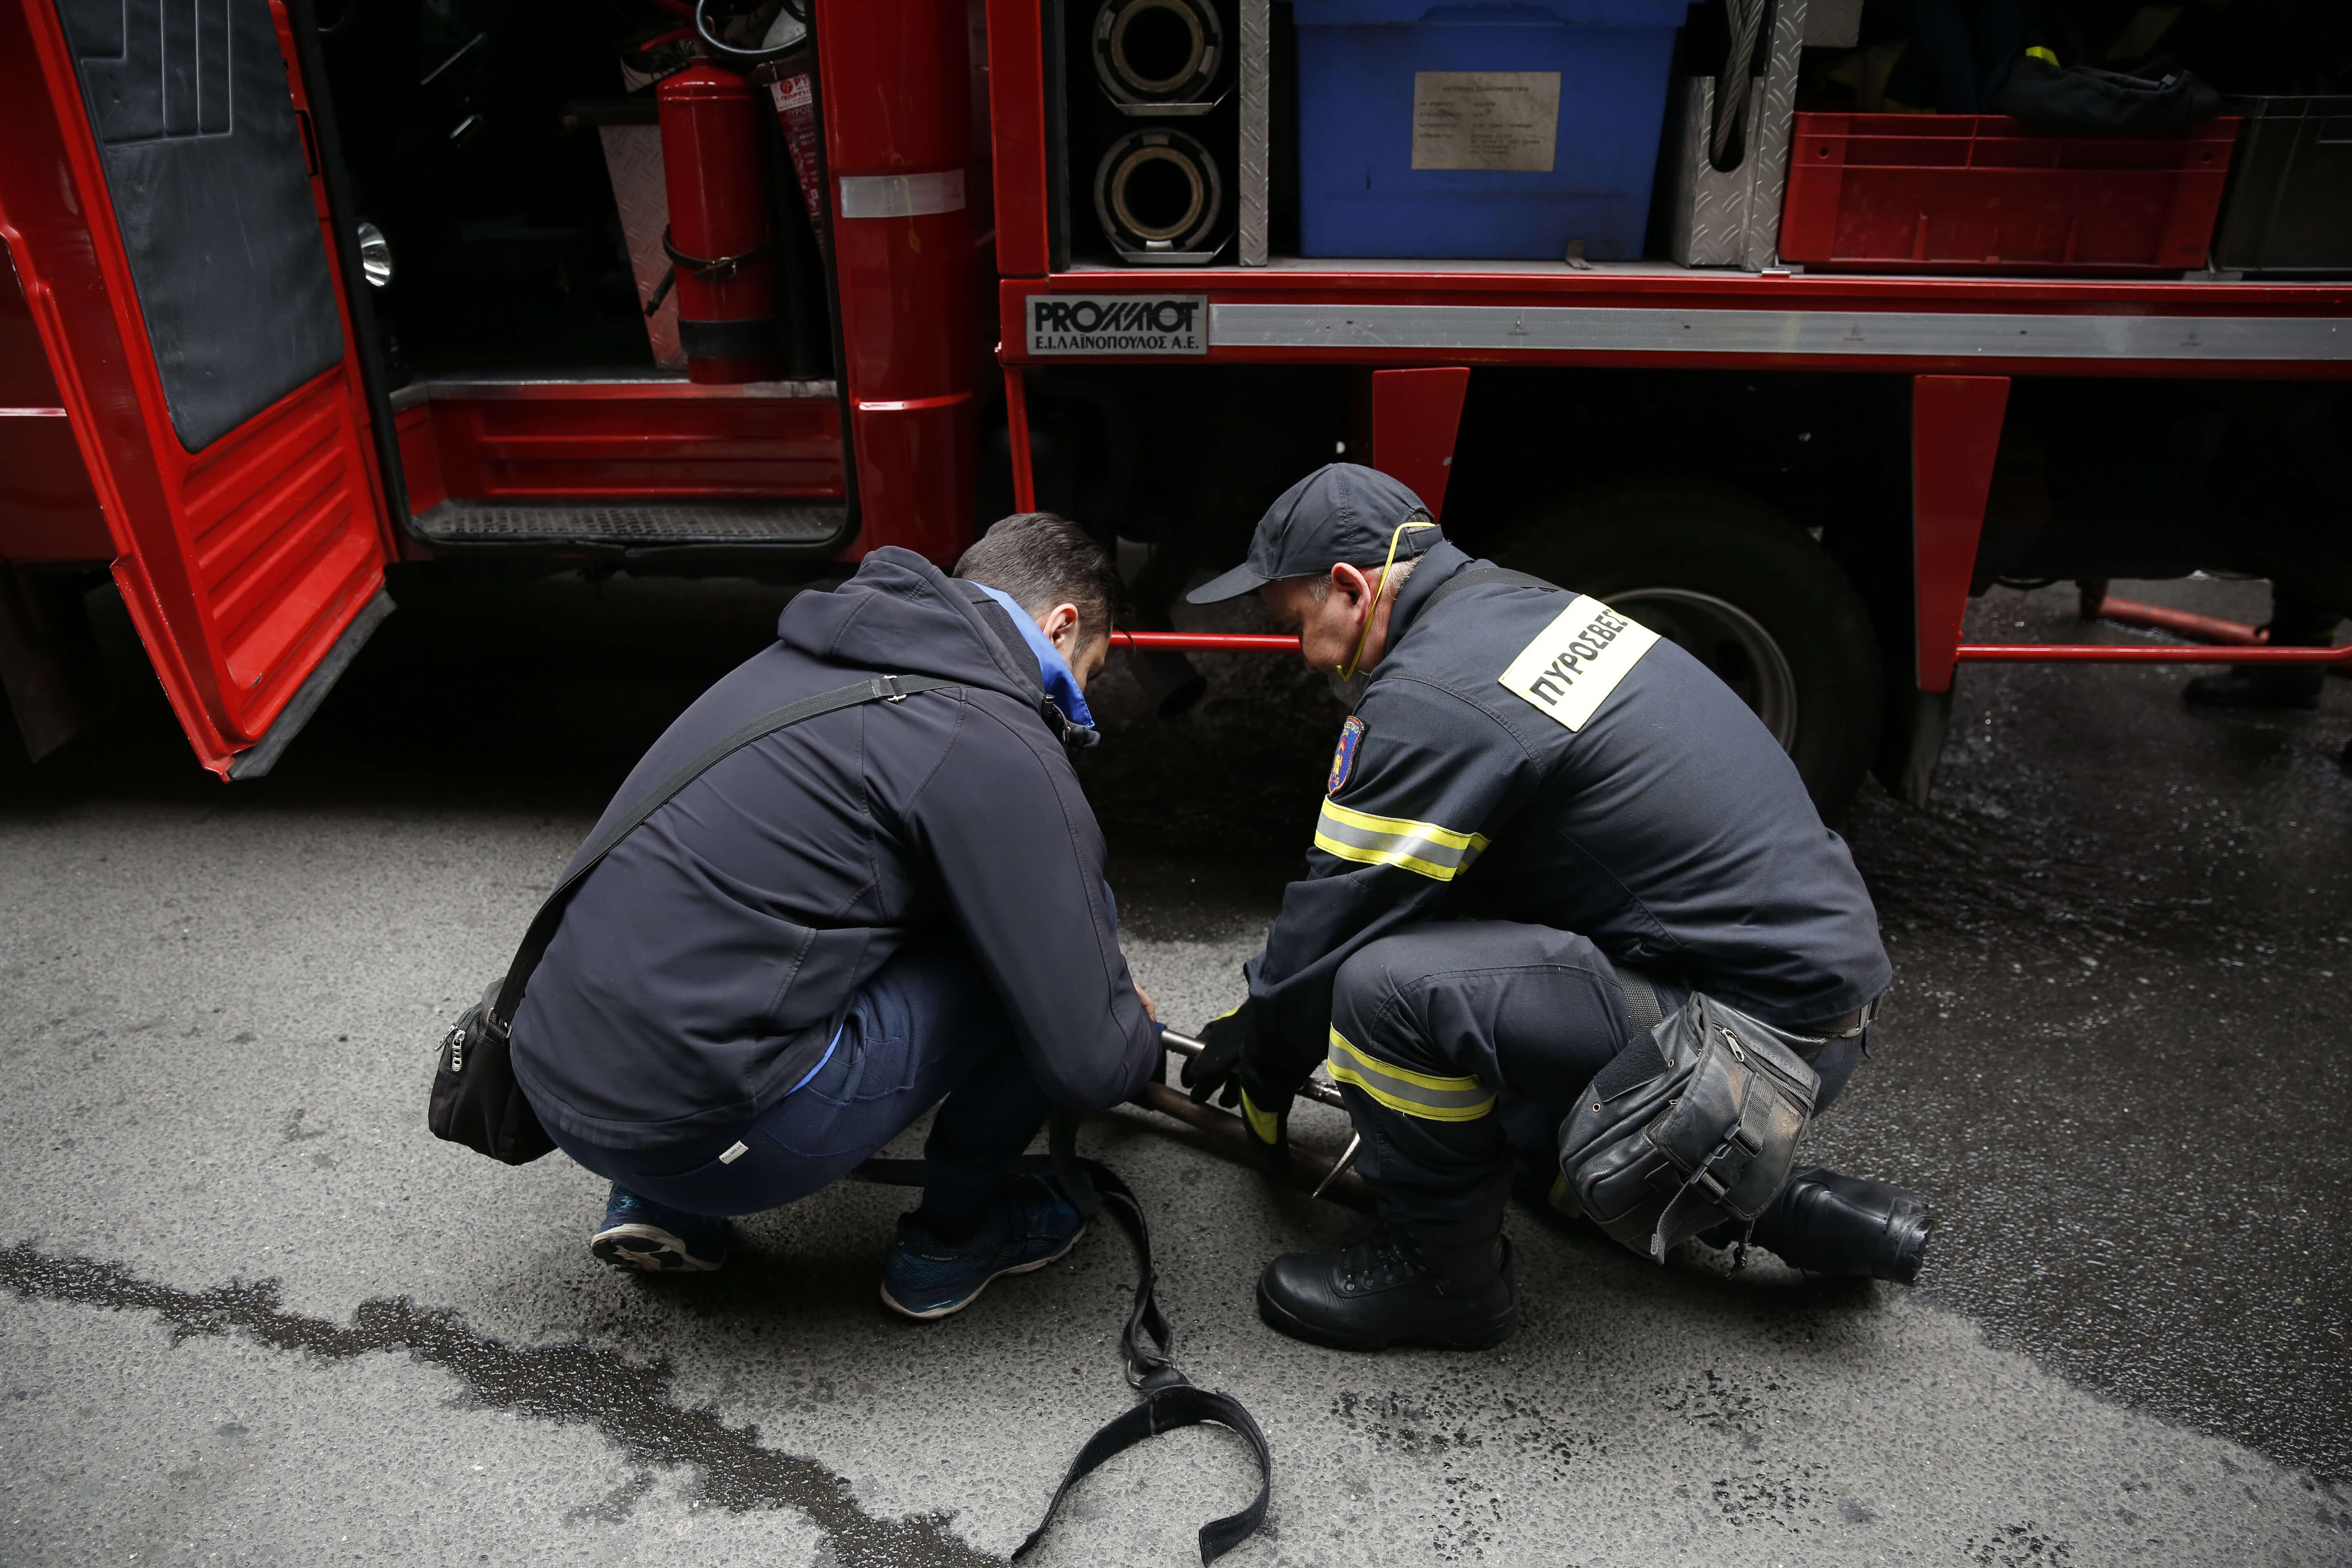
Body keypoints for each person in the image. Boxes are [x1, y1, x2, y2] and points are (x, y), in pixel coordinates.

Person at [1179, 465, 1933, 1352]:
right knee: (1466, 1000)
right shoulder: (1513, 604)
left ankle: (1440, 1277)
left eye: (1297, 624)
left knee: (1384, 989)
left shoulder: (1429, 694)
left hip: (1750, 1039)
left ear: (1351, 586)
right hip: (1804, 1007)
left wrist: (1266, 1053)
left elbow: (1337, 919)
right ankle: (1774, 1206)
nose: (1305, 656)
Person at [507, 514, 1162, 1320]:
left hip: (553, 1080)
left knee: (776, 895)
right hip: (711, 1139)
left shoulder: (799, 661)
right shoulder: (990, 737)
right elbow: (1091, 1066)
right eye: (1090, 673)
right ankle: (954, 1241)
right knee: (1045, 930)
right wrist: (1125, 1027)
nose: (1081, 697)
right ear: (1063, 625)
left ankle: (658, 1205)